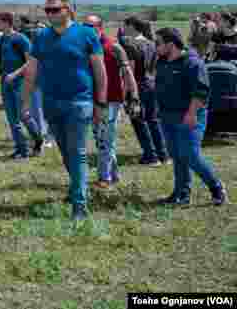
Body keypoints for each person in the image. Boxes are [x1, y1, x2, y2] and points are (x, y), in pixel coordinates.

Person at [22, 0, 107, 220]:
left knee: (78, 153)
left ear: (67, 10)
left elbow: (100, 71)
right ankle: (78, 189)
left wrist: (101, 102)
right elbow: (31, 69)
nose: (50, 14)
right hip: (51, 103)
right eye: (47, 10)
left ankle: (80, 205)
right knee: (66, 152)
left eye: (54, 10)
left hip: (80, 102)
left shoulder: (86, 34)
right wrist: (26, 101)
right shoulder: (41, 36)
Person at [153, 28, 228, 206]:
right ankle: (181, 194)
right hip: (167, 116)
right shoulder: (162, 61)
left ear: (170, 45)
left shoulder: (192, 63)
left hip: (189, 116)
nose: (155, 47)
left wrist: (192, 114)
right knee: (177, 155)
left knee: (190, 155)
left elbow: (201, 92)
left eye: (158, 43)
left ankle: (216, 187)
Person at [85, 15, 139, 189]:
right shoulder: (85, 48)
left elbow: (128, 73)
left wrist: (134, 97)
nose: (86, 29)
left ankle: (105, 177)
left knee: (105, 140)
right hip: (92, 101)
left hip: (112, 101)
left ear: (99, 27)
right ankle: (114, 174)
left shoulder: (114, 47)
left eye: (90, 26)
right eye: (84, 26)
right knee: (101, 139)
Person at [122, 17, 169, 166]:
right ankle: (164, 155)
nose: (123, 28)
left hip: (138, 85)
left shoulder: (130, 44)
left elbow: (130, 70)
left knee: (139, 121)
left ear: (132, 27)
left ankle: (150, 155)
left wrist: (126, 92)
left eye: (125, 25)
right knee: (154, 120)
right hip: (152, 84)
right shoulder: (151, 43)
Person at [0, 13, 39, 159]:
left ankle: (38, 139)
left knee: (23, 115)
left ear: (7, 23)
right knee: (12, 118)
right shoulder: (1, 39)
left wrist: (15, 74)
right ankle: (22, 149)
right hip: (5, 83)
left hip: (20, 83)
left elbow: (30, 61)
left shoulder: (20, 39)